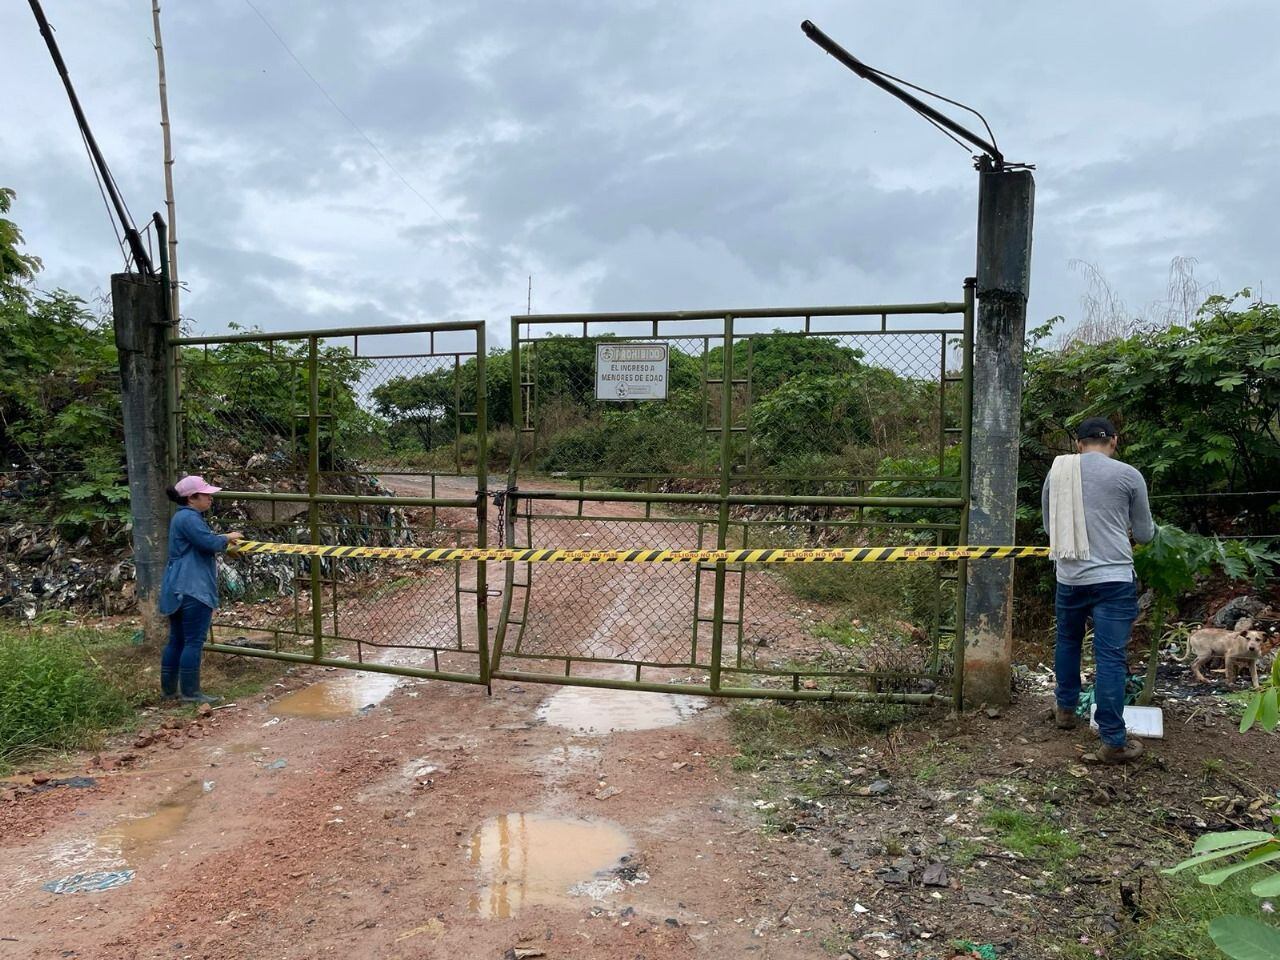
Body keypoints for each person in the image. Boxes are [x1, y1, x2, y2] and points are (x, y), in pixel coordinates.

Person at [1042, 416, 1155, 764]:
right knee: (1109, 657)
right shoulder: (1128, 475)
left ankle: (1065, 710)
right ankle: (1113, 741)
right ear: (1114, 441)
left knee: (1068, 642)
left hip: (1070, 578)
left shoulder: (1057, 473)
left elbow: (1050, 527)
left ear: (1078, 444)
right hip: (1114, 580)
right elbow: (1145, 533)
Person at [158, 475, 243, 704]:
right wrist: (228, 537)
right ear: (191, 498)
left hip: (176, 585)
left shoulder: (181, 517)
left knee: (176, 639)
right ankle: (191, 693)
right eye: (205, 495)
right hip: (192, 587)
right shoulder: (190, 518)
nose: (210, 499)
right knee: (193, 641)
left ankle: (169, 691)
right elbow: (208, 543)